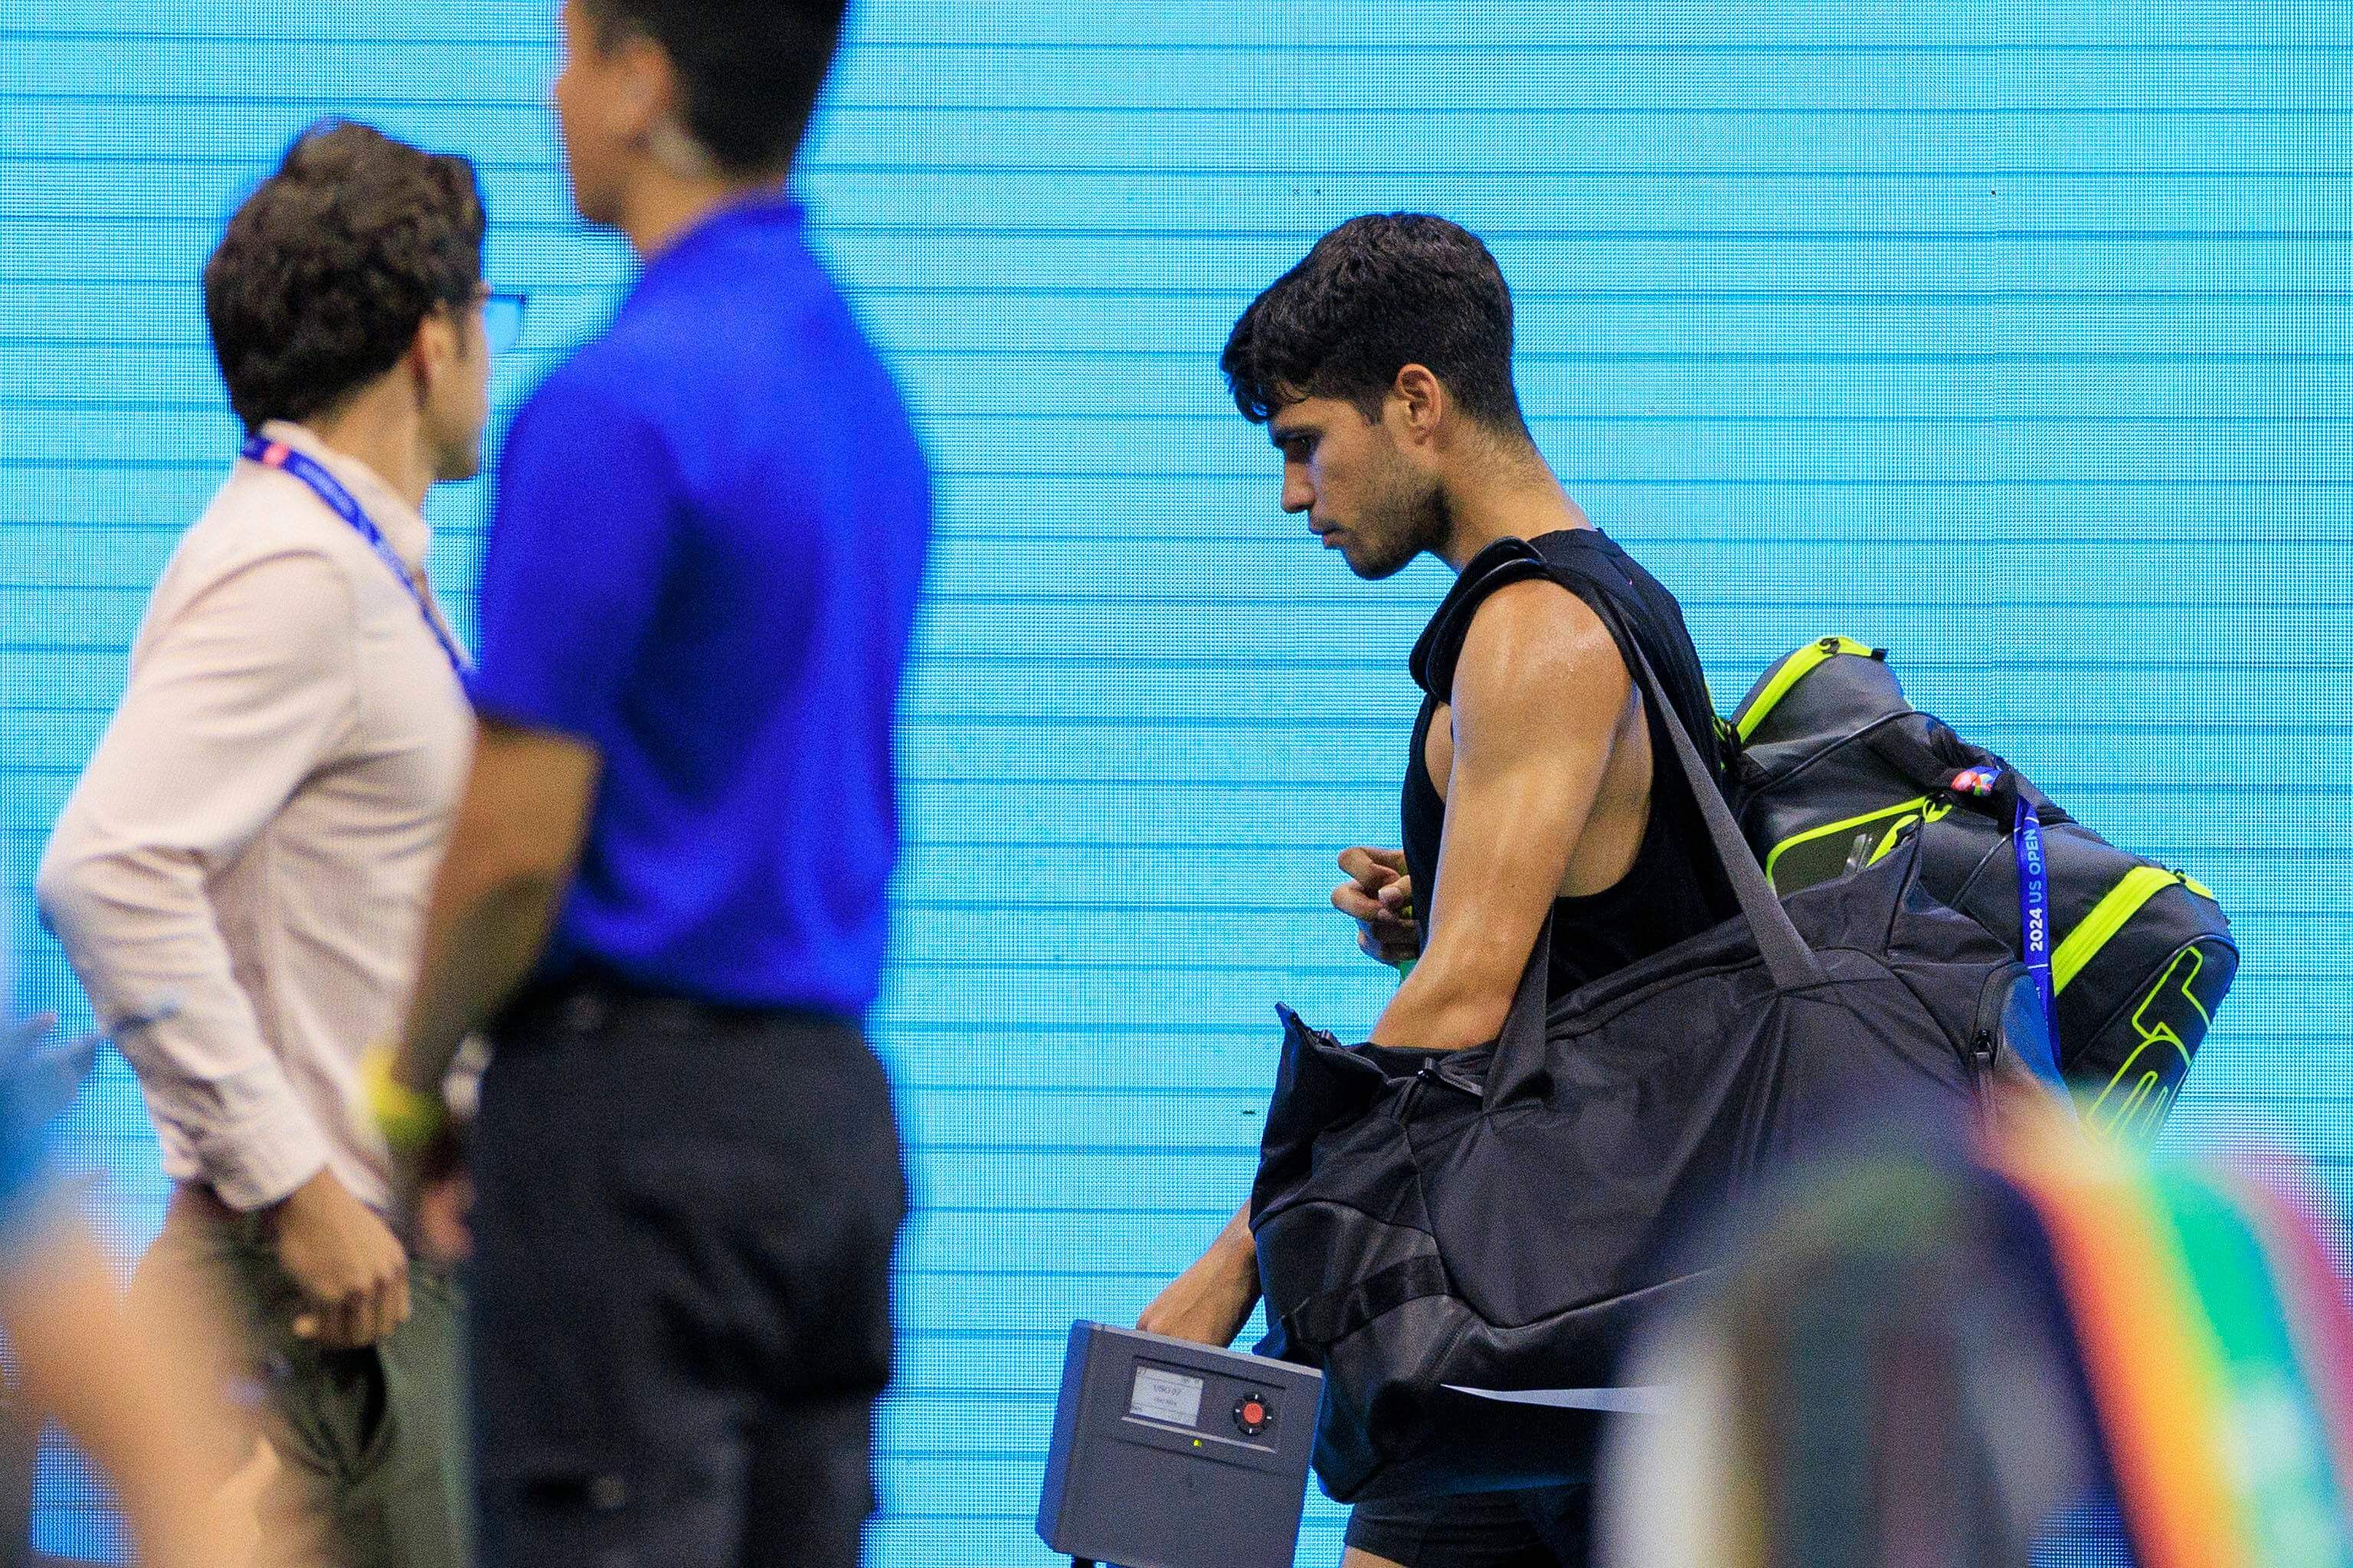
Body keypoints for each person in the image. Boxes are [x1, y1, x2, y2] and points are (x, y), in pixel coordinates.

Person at [377, 2, 929, 1563]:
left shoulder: (615, 407)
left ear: (640, 79)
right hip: (826, 1134)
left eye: (567, 48)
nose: (552, 93)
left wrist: (402, 1091)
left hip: (635, 1152)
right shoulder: (869, 404)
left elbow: (509, 853)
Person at [1137, 214, 1739, 1568]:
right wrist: (1452, 905)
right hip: (1531, 1307)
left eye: (1304, 443)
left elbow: (1464, 998)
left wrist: (1241, 1261)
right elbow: (1610, 937)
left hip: (1588, 1333)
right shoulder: (1603, 599)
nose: (1296, 495)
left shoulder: (1534, 633)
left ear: (1417, 402)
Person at [37, 119, 502, 1568]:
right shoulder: (296, 570)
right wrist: (293, 1183)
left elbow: (337, 932)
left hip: (371, 1269)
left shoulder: (335, 561)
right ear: (433, 342)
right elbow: (104, 871)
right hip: (320, 1300)